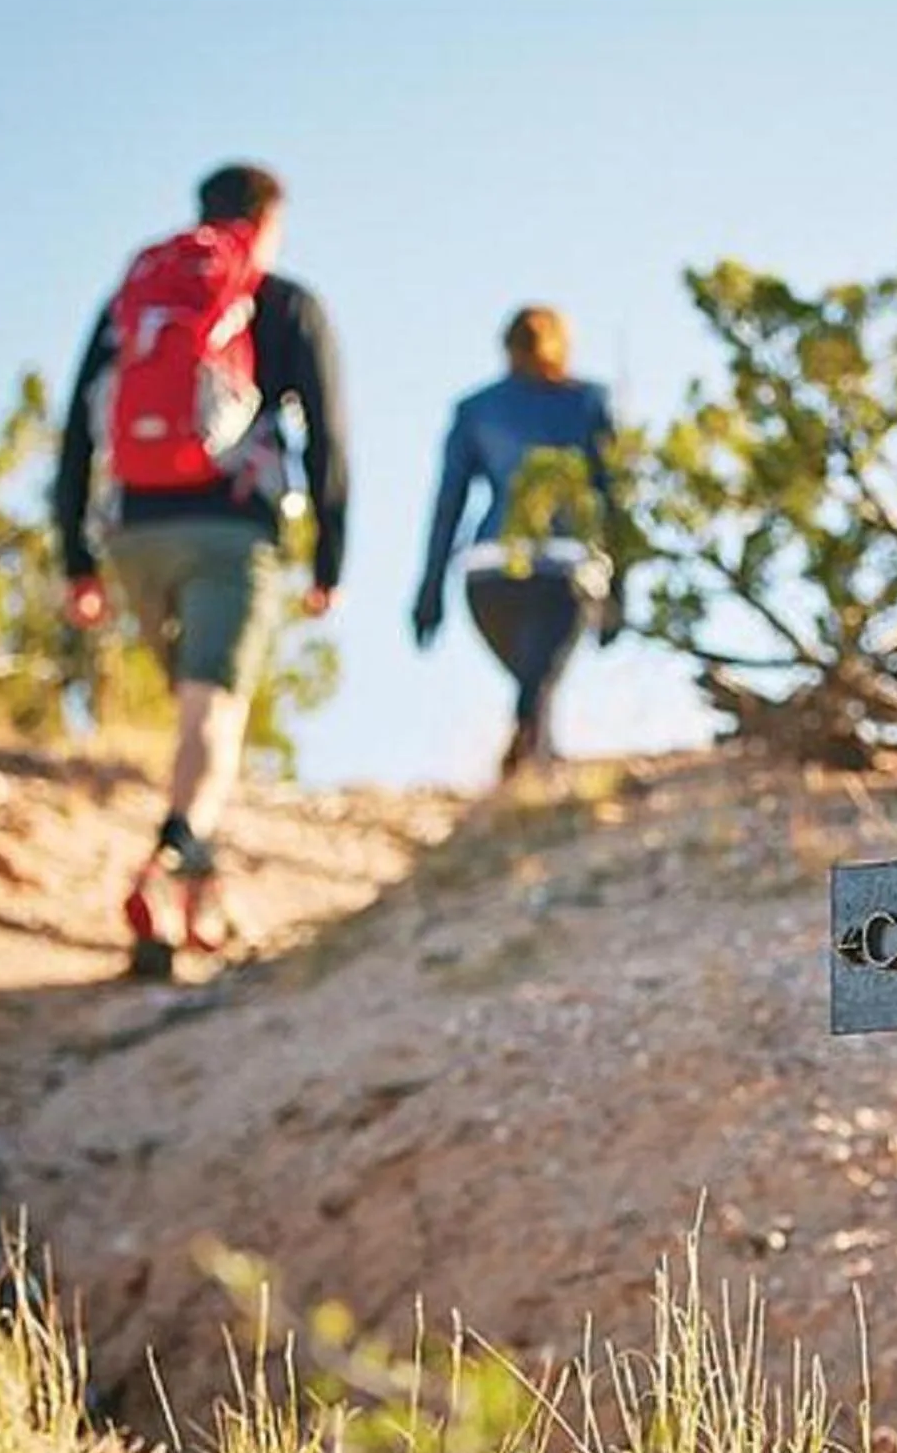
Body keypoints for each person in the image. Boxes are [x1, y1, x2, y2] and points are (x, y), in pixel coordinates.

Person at [53, 162, 349, 960]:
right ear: (268, 222)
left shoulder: (135, 306)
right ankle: (168, 856)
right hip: (231, 532)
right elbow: (327, 438)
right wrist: (330, 559)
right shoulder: (284, 304)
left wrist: (75, 558)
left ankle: (199, 905)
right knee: (211, 712)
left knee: (192, 709)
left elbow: (78, 431)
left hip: (133, 533)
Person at [411, 305, 624, 782]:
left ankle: (534, 762)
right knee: (539, 674)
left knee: (534, 674)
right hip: (563, 568)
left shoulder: (475, 409)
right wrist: (621, 588)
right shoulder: (589, 402)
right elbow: (612, 499)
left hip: (487, 570)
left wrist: (431, 590)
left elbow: (449, 505)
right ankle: (529, 759)